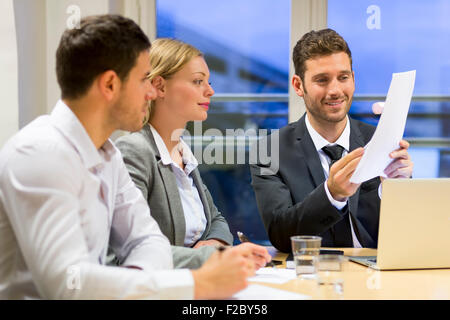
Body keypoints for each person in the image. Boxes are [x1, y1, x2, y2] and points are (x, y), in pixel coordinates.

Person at [0, 14, 271, 300]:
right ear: (109, 85)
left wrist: (143, 286)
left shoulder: (108, 155)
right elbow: (68, 284)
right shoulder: (41, 153)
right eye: (144, 80)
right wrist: (196, 284)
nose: (152, 91)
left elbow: (146, 239)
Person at [250, 28, 413, 253]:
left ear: (353, 79)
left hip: (376, 278)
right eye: (322, 80)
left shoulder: (378, 140)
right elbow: (280, 235)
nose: (335, 90)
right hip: (310, 278)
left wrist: (401, 188)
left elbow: (406, 234)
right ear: (298, 86)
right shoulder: (269, 151)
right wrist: (332, 194)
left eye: (343, 77)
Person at [115, 39, 233, 268]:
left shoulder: (181, 151)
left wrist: (214, 242)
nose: (210, 91)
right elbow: (130, 251)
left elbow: (216, 219)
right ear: (159, 87)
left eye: (208, 82)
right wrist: (210, 257)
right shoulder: (135, 150)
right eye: (198, 81)